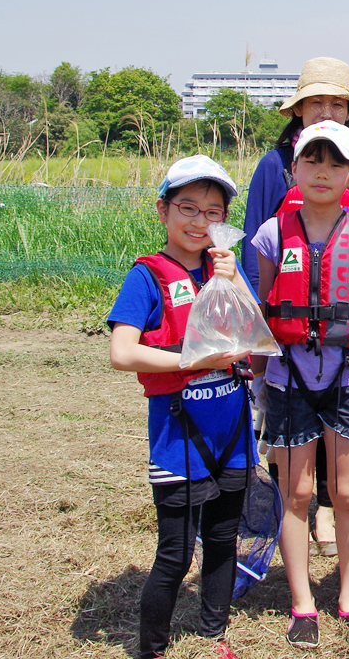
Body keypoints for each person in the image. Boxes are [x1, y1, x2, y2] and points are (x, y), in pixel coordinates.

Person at [107, 155, 257, 659]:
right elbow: (123, 352)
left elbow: (257, 337)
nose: (199, 221)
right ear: (163, 211)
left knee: (222, 541)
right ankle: (151, 648)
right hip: (180, 438)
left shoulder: (224, 270)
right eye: (187, 208)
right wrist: (192, 358)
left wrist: (234, 278)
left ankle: (215, 636)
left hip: (232, 432)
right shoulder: (148, 276)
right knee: (174, 553)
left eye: (213, 212)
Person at [251, 122, 349, 648]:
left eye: (335, 164)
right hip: (287, 378)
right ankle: (302, 603)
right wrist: (260, 386)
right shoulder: (271, 235)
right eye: (312, 161)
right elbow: (264, 314)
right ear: (293, 170)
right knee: (297, 493)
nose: (323, 172)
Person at [242, 56, 349, 559]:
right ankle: (296, 506)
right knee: (290, 418)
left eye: (337, 103)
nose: (326, 110)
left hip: (343, 327)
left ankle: (329, 505)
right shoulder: (271, 166)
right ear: (298, 109)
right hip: (286, 326)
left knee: (338, 423)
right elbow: (253, 249)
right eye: (316, 102)